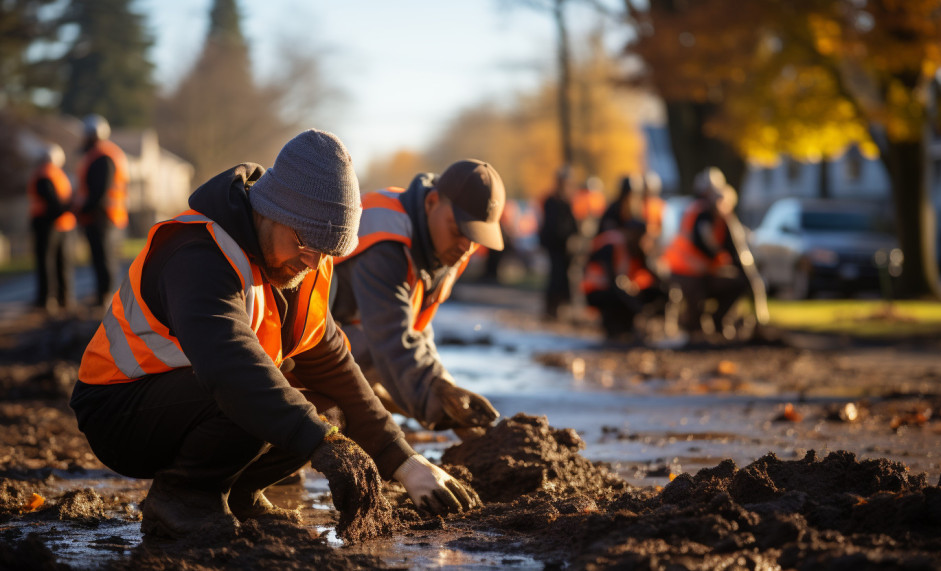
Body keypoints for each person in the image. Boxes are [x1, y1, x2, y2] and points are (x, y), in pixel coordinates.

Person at [70, 130, 479, 540]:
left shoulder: (305, 260)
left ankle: (240, 491)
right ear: (270, 208)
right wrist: (322, 444)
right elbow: (231, 367)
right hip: (119, 412)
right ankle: (184, 497)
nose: (313, 262)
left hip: (198, 398)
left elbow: (336, 366)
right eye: (305, 243)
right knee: (262, 395)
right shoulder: (197, 252)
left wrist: (405, 462)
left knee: (329, 409)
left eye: (327, 251)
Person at [328, 159, 504, 438]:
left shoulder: (447, 248)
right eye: (459, 231)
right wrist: (446, 414)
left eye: (475, 238)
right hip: (291, 343)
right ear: (432, 202)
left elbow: (417, 332)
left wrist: (446, 389)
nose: (466, 247)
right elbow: (392, 341)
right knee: (375, 359)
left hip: (349, 336)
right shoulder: (385, 241)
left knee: (396, 375)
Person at [661, 168, 752, 340]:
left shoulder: (715, 217)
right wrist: (720, 259)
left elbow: (726, 247)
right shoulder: (700, 212)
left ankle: (715, 322)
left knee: (734, 283)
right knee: (696, 292)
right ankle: (693, 329)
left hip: (699, 270)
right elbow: (703, 243)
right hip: (685, 269)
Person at [75, 114, 129, 308]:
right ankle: (103, 295)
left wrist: (82, 208)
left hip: (103, 215)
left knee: (105, 258)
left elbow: (99, 191)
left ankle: (107, 297)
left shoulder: (102, 156)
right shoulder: (101, 154)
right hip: (101, 215)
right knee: (101, 258)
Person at [582, 221, 665, 343]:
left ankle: (625, 330)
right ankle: (616, 331)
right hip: (596, 290)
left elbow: (647, 272)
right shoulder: (611, 244)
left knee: (631, 296)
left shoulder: (632, 247)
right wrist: (636, 306)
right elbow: (612, 280)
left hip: (613, 288)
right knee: (620, 298)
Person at [27, 143, 76, 313]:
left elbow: (51, 202)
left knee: (46, 262)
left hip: (47, 223)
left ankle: (46, 299)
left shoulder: (43, 174)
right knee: (62, 263)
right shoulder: (60, 175)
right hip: (62, 224)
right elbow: (62, 200)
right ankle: (64, 298)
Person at [538, 166, 579, 320]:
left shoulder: (568, 200)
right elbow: (554, 225)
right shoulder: (552, 200)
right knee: (556, 275)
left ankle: (560, 306)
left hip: (564, 246)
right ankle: (552, 307)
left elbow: (572, 223)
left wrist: (574, 236)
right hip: (555, 245)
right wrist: (565, 237)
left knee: (565, 277)